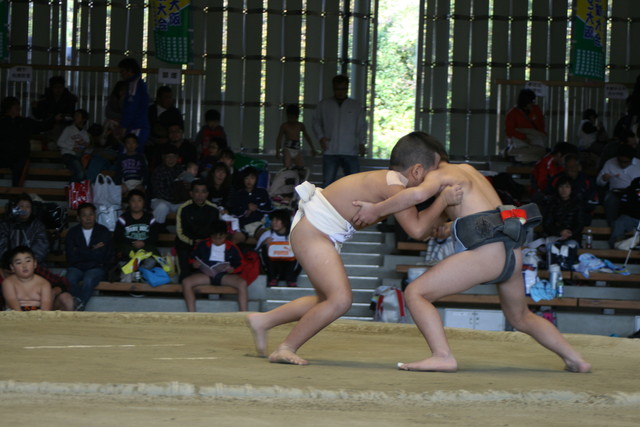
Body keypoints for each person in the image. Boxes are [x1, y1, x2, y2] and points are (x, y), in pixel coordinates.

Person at [349, 133, 591, 374]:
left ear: (420, 168)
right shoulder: (468, 171)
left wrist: (376, 210)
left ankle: (442, 356)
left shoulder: (439, 175)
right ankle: (576, 360)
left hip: (488, 253)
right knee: (520, 317)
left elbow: (416, 195)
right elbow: (480, 213)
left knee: (416, 293)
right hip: (511, 251)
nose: (411, 184)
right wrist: (447, 227)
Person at [246, 132, 463, 365]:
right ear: (418, 171)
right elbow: (417, 230)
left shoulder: (394, 185)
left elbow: (422, 227)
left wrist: (443, 216)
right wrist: (443, 201)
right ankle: (286, 347)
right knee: (340, 300)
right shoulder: (394, 186)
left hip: (317, 231)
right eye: (435, 174)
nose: (437, 182)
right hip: (313, 232)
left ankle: (263, 321)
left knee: (325, 300)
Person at [0, 193, 74, 311]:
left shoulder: (37, 225)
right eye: (21, 206)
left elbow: (41, 248)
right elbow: (2, 247)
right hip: (6, 266)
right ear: (14, 208)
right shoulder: (4, 225)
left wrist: (54, 291)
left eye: (27, 206)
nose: (24, 209)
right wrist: (12, 262)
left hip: (35, 268)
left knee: (65, 298)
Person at [312, 74, 367, 187]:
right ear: (333, 88)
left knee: (354, 184)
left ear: (347, 88)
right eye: (338, 89)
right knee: (328, 183)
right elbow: (316, 121)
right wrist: (321, 137)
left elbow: (362, 125)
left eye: (343, 89)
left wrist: (362, 142)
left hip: (350, 150)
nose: (340, 92)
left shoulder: (355, 106)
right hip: (330, 150)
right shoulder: (324, 104)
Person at [182, 220, 248, 312]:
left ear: (226, 235)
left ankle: (243, 314)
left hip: (224, 276)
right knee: (186, 282)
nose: (217, 240)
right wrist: (194, 263)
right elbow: (192, 258)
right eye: (214, 238)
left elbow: (241, 263)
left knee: (242, 283)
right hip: (206, 275)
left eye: (220, 238)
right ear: (210, 236)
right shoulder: (202, 245)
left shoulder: (232, 248)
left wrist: (233, 270)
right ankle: (191, 313)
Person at [65, 203, 114, 310]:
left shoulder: (103, 231)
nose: (88, 218)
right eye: (84, 215)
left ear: (95, 215)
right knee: (70, 278)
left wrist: (81, 251)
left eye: (91, 214)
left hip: (96, 267)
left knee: (89, 279)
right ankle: (80, 306)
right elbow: (71, 256)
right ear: (78, 217)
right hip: (77, 266)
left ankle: (78, 307)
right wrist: (92, 249)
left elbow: (103, 256)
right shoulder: (72, 233)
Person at [0, 97, 51, 186]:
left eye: (18, 105)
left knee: (20, 168)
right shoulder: (2, 122)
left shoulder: (25, 122)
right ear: (8, 108)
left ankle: (16, 192)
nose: (18, 107)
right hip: (4, 155)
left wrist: (54, 119)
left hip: (20, 156)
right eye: (15, 105)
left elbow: (42, 126)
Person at [175, 180, 220, 281]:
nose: (200, 195)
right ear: (191, 193)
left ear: (207, 194)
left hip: (207, 245)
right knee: (185, 274)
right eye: (197, 191)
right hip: (187, 244)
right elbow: (180, 232)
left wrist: (204, 243)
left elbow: (216, 232)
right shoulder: (183, 208)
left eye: (203, 191)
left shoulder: (213, 209)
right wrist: (193, 242)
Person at [113, 189, 160, 267]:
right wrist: (133, 242)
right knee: (124, 251)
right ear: (129, 203)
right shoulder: (123, 218)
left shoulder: (149, 217)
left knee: (152, 253)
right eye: (133, 201)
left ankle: (143, 268)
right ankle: (130, 267)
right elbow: (118, 236)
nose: (136, 203)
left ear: (143, 203)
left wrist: (144, 242)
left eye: (139, 200)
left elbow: (154, 236)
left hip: (145, 246)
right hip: (129, 247)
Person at [596, 144, 640, 226]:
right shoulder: (610, 163)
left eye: (626, 162)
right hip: (616, 192)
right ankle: (613, 225)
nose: (622, 164)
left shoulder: (638, 164)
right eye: (620, 161)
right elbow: (599, 182)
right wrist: (604, 179)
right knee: (609, 198)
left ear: (632, 159)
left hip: (633, 193)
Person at [255, 209, 301, 287]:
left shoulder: (294, 235)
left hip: (289, 268)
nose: (274, 222)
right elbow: (256, 252)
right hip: (272, 269)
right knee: (264, 248)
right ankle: (272, 278)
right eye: (273, 220)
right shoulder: (267, 235)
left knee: (299, 249)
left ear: (285, 222)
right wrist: (264, 243)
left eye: (277, 220)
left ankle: (291, 279)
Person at [227, 167, 273, 241]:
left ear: (256, 179)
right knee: (234, 239)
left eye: (252, 178)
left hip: (258, 224)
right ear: (243, 179)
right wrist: (246, 208)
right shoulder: (238, 194)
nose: (249, 181)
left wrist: (256, 207)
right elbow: (234, 213)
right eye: (246, 178)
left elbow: (269, 209)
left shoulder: (262, 192)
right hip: (242, 226)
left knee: (266, 238)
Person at [1, 246, 52, 311]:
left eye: (28, 261)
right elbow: (12, 303)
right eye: (19, 263)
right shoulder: (8, 282)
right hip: (14, 314)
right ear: (12, 267)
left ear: (35, 263)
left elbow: (46, 308)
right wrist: (21, 316)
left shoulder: (44, 284)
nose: (24, 266)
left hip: (38, 314)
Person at [504, 88, 547, 163]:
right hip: (519, 140)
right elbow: (509, 131)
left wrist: (539, 136)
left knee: (540, 150)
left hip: (534, 139)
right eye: (531, 101)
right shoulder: (513, 113)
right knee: (536, 152)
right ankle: (512, 152)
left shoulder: (536, 110)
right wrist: (523, 138)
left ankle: (510, 152)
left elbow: (541, 126)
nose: (532, 103)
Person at [542, 176, 588, 244]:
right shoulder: (551, 203)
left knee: (571, 245)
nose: (564, 190)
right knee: (551, 247)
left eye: (567, 187)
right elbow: (547, 223)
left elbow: (580, 224)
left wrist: (569, 233)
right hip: (554, 237)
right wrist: (559, 232)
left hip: (572, 238)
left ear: (571, 188)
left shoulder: (578, 204)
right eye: (561, 187)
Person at [32, 75, 78, 141]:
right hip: (48, 127)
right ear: (52, 88)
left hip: (64, 127)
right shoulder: (45, 99)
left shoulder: (69, 99)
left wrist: (60, 118)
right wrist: (35, 108)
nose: (58, 89)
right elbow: (38, 116)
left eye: (60, 87)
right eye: (56, 87)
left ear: (63, 87)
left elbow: (70, 115)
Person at [118, 57, 150, 153]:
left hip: (136, 126)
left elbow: (131, 108)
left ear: (129, 70)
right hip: (136, 126)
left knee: (128, 155)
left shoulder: (134, 84)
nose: (121, 74)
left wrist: (124, 126)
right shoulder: (138, 84)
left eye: (122, 71)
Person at [150, 145, 184, 230]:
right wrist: (174, 199)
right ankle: (156, 231)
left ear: (177, 158)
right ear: (163, 157)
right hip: (161, 200)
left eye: (174, 157)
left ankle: (181, 232)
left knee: (187, 207)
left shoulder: (181, 170)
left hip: (177, 202)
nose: (171, 160)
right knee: (162, 207)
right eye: (169, 157)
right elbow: (159, 192)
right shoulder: (158, 171)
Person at [275, 104, 318, 170]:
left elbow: (307, 137)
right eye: (289, 116)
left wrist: (313, 148)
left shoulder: (300, 125)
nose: (291, 118)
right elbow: (279, 138)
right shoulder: (285, 125)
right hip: (287, 149)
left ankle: (295, 174)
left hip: (297, 149)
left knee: (301, 168)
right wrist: (277, 151)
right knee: (287, 168)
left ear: (296, 116)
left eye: (293, 117)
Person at [57, 108, 91, 183]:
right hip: (68, 155)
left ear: (84, 119)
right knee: (80, 173)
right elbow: (59, 142)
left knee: (82, 174)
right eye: (75, 115)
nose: (75, 117)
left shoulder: (85, 133)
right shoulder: (69, 129)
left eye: (78, 116)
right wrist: (72, 148)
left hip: (80, 156)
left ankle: (71, 188)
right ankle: (71, 188)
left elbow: (86, 147)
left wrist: (83, 147)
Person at [609, 177, 640, 248]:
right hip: (632, 218)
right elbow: (624, 207)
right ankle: (618, 243)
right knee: (619, 222)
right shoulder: (634, 185)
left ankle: (635, 241)